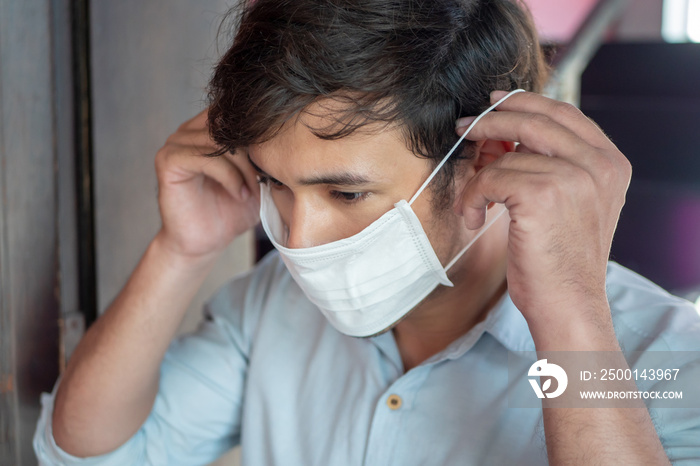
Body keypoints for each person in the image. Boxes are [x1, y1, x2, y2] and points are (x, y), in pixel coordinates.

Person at [34, 0, 700, 464]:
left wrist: (572, 320)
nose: (300, 238)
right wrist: (180, 250)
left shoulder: (667, 358)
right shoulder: (272, 304)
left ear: (490, 156)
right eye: (275, 183)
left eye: (345, 192)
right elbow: (91, 452)